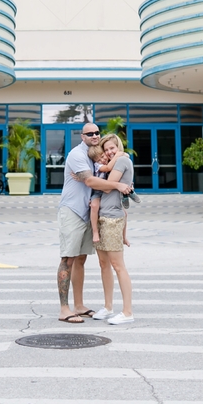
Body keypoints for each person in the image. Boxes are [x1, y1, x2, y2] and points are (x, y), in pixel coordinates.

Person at [57, 123, 132, 323]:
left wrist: (118, 157)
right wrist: (117, 184)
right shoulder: (77, 155)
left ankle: (79, 305)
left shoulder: (96, 153)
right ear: (82, 136)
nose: (94, 135)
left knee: (81, 259)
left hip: (89, 212)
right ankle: (65, 309)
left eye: (97, 132)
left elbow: (106, 171)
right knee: (68, 259)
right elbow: (91, 181)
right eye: (89, 133)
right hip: (73, 211)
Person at [90, 133, 135, 324]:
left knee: (118, 265)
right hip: (102, 216)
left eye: (112, 148)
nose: (109, 152)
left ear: (119, 147)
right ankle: (108, 307)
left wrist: (117, 156)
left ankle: (127, 312)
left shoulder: (122, 161)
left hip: (112, 218)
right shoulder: (113, 162)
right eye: (106, 149)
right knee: (104, 265)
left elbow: (107, 188)